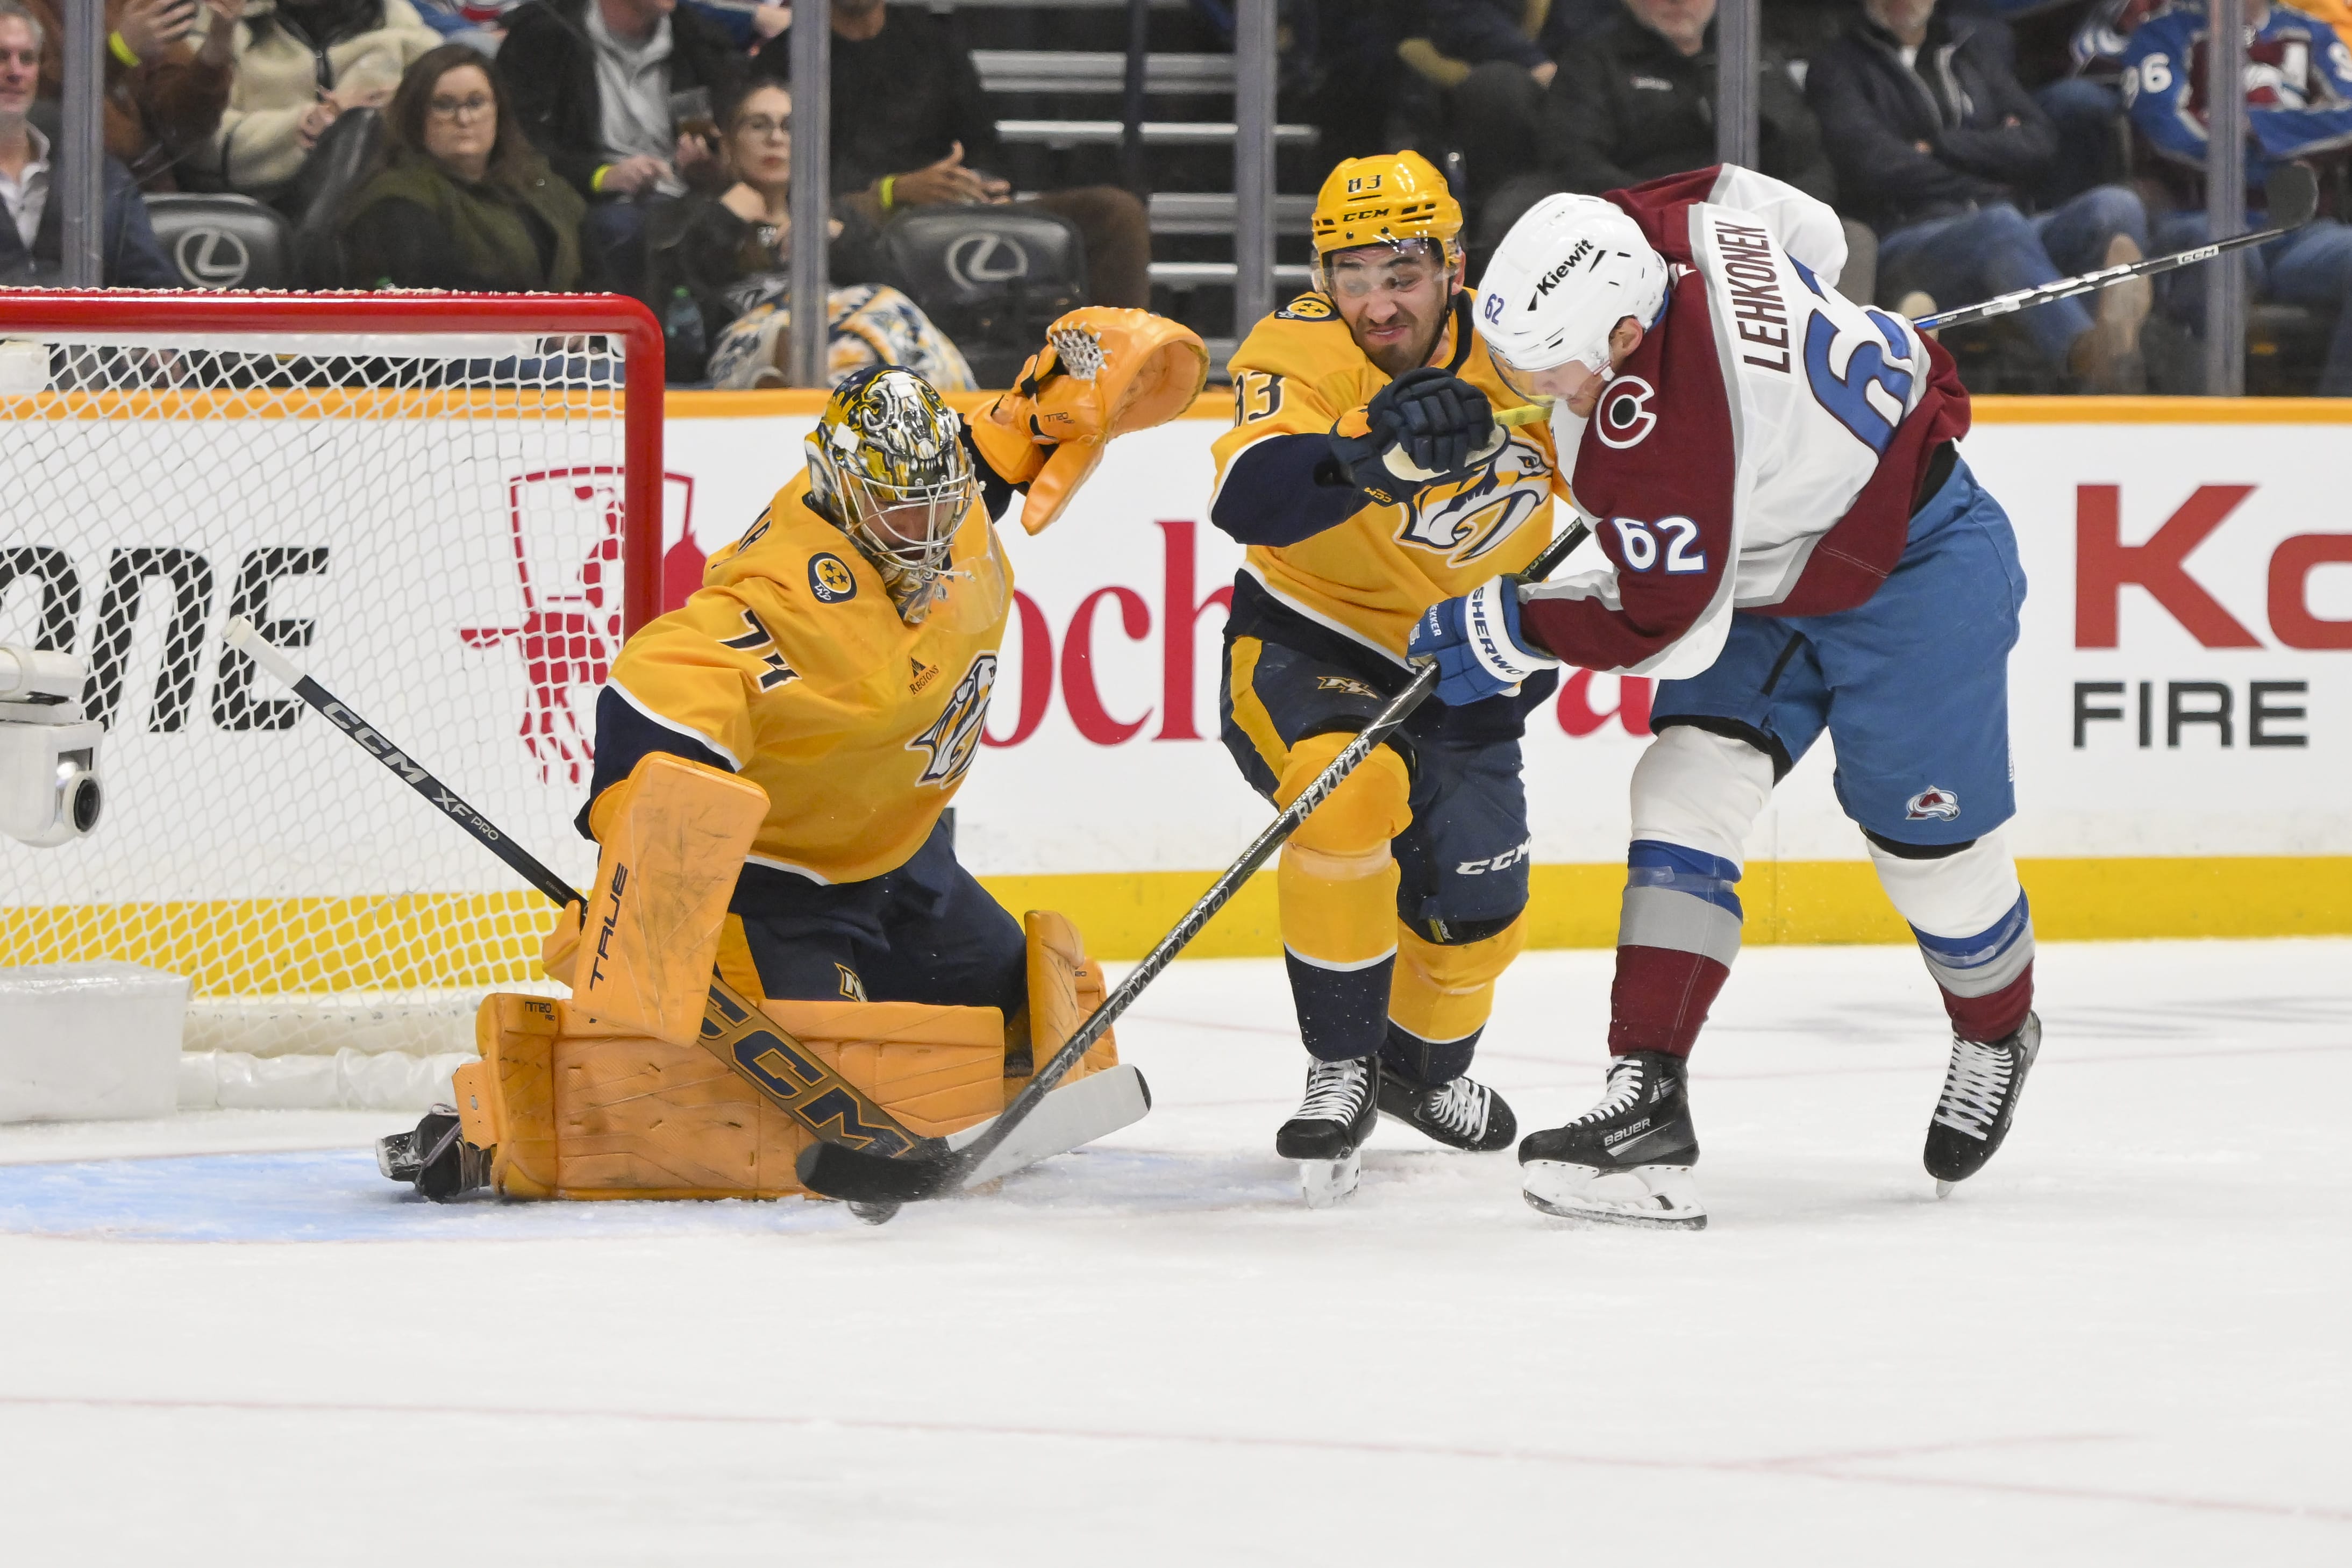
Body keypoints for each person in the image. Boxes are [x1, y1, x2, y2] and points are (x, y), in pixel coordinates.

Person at [374, 315, 1208, 1203]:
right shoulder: (777, 595)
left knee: (1019, 1016)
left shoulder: (943, 499)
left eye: (941, 504)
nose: (930, 534)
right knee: (800, 1086)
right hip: (780, 890)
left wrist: (1060, 402)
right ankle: (485, 1120)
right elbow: (654, 692)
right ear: (842, 495)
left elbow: (997, 446)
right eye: (902, 513)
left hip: (906, 863)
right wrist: (643, 875)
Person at [1406, 167, 2042, 1229]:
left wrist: (1508, 628)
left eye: (1552, 370)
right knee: (1685, 784)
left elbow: (1668, 626)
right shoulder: (1656, 222)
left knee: (1932, 862)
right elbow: (1812, 229)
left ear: (1618, 336)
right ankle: (1646, 1094)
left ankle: (1996, 1027)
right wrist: (1805, 334)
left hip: (1919, 568)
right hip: (1771, 551)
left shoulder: (1664, 438)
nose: (1538, 388)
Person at [1206, 152, 1573, 1206]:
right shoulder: (1302, 343)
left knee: (1484, 919)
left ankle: (1419, 1074)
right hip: (1311, 639)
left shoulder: (1528, 338)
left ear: (1455, 265)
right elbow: (1249, 497)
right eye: (1351, 272)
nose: (1376, 301)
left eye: (1402, 273)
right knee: (1348, 792)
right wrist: (1372, 461)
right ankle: (1341, 1065)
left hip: (1470, 653)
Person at [1807, 0, 2151, 390]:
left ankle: (2109, 356)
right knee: (1998, 226)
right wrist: (1991, 164)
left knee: (2114, 208)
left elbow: (2038, 143)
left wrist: (1939, 147)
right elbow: (1876, 167)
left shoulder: (1968, 50)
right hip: (1908, 240)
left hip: (2008, 231)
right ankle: (2085, 355)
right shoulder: (1838, 66)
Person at [751, 0, 1151, 309]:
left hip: (958, 209)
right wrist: (894, 191)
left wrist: (984, 183)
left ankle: (1122, 376)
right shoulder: (788, 60)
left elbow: (984, 141)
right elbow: (788, 184)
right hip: (861, 221)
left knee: (1116, 214)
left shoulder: (932, 40)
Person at [1478, 0, 1868, 299]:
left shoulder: (1755, 59)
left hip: (1756, 229)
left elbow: (1807, 153)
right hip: (1643, 230)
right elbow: (1574, 157)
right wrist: (1665, 215)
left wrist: (1796, 215)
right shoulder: (1595, 61)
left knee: (1851, 238)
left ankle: (1837, 366)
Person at [643, 80, 972, 389]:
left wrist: (836, 243)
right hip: (744, 345)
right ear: (728, 143)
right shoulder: (688, 216)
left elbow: (905, 298)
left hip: (855, 339)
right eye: (758, 125)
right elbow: (670, 308)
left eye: (790, 127)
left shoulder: (838, 217)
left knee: (877, 319)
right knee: (824, 332)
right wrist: (723, 220)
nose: (776, 138)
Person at [2121, 0, 2352, 394]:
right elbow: (2169, 134)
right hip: (2200, 219)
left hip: (2299, 231)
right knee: (2226, 258)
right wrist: (2287, 157)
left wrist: (2256, 126)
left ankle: (2335, 419)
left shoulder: (2312, 34)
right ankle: (2209, 418)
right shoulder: (2160, 35)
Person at [495, 0, 744, 293]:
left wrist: (711, 168)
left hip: (686, 195)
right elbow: (522, 145)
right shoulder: (544, 37)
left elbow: (731, 140)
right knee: (625, 230)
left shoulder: (702, 42)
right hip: (583, 198)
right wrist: (602, 175)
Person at [337, 44, 587, 289]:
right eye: (444, 105)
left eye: (476, 103)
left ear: (499, 110)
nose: (464, 119)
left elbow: (596, 272)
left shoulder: (537, 182)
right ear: (415, 115)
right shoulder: (396, 200)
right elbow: (438, 295)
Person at [186, 0, 443, 202]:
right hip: (263, 200)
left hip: (380, 196)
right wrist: (303, 125)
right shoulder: (223, 22)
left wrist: (397, 110)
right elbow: (197, 138)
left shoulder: (397, 24)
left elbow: (446, 111)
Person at [0, 0, 178, 284]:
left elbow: (156, 292)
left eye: (28, 59)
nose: (15, 72)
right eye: (1, 57)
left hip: (82, 330)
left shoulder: (103, 179)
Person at [25, 0, 237, 188]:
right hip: (52, 193)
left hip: (142, 192)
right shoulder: (20, 10)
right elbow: (33, 112)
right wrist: (119, 51)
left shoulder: (136, 6)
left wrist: (215, 51)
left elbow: (183, 128)